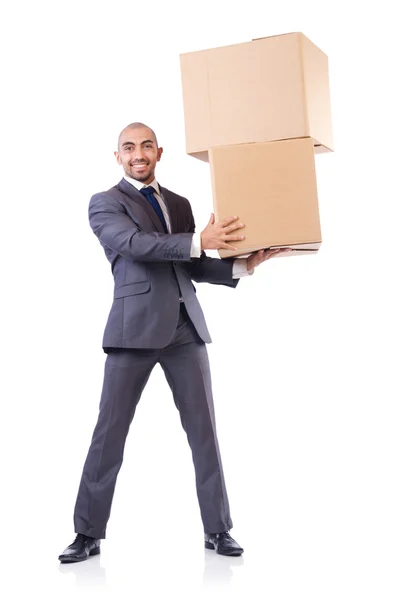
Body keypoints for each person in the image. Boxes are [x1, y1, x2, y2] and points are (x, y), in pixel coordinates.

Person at [58, 122, 288, 563]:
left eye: (146, 146)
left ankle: (217, 529)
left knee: (205, 434)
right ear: (118, 156)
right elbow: (135, 245)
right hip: (133, 331)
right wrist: (199, 240)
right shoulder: (105, 204)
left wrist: (243, 266)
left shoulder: (178, 204)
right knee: (110, 435)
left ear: (159, 153)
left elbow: (191, 263)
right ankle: (87, 533)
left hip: (185, 329)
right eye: (129, 148)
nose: (138, 154)